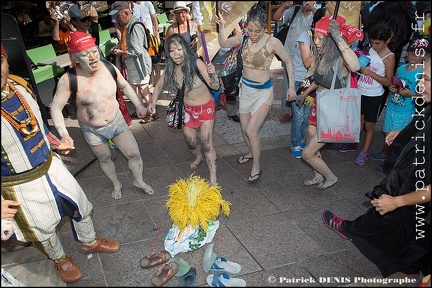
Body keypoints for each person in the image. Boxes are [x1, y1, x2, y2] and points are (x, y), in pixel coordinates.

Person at [1, 44, 120, 284]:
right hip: (20, 185)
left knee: (80, 204)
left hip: (51, 165)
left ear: (6, 61)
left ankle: (89, 242)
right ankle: (60, 259)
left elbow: (37, 125)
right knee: (43, 226)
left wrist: (55, 142)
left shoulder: (19, 85)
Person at [321, 52, 431, 282]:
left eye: (427, 79)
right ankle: (410, 264)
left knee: (403, 220)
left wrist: (398, 201)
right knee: (406, 226)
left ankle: (351, 229)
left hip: (419, 193)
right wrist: (401, 133)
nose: (421, 83)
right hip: (411, 179)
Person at [50, 31, 154, 199]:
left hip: (116, 122)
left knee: (134, 153)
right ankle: (116, 184)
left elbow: (125, 86)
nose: (93, 57)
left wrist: (139, 105)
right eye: (86, 54)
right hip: (92, 130)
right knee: (105, 158)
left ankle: (139, 180)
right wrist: (64, 134)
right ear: (75, 58)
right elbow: (55, 108)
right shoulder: (68, 79)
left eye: (94, 51)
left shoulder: (108, 67)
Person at [215, 4, 297, 184]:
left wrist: (291, 87)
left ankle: (256, 166)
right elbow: (224, 43)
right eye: (250, 29)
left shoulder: (272, 42)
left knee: (252, 131)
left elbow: (288, 61)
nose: (252, 34)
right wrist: (221, 26)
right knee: (244, 130)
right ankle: (251, 152)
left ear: (264, 28)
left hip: (263, 93)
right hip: (246, 90)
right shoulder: (244, 36)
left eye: (257, 31)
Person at [299, 15, 361, 190]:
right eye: (315, 37)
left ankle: (330, 177)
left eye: (320, 38)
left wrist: (338, 37)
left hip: (334, 110)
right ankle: (318, 175)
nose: (316, 42)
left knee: (307, 153)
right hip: (320, 105)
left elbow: (356, 66)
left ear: (330, 39)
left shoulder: (340, 58)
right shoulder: (322, 55)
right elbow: (319, 80)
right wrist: (304, 95)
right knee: (309, 138)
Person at [150, 34, 219, 185]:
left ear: (186, 49)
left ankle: (213, 177)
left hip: (205, 107)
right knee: (191, 142)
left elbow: (215, 86)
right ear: (168, 53)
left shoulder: (196, 63)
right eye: (172, 50)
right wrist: (152, 102)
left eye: (179, 49)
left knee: (207, 143)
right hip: (187, 110)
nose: (177, 53)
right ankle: (198, 156)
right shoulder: (170, 69)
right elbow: (159, 85)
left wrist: (213, 75)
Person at [370, 37, 430, 172]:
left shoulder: (423, 72)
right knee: (387, 132)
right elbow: (394, 83)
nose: (414, 55)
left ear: (425, 55)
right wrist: (392, 88)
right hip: (392, 106)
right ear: (407, 52)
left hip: (405, 111)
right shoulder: (401, 68)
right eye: (412, 51)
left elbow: (425, 97)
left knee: (398, 139)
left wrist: (411, 95)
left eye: (419, 52)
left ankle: (392, 162)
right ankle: (385, 153)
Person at [109, 1, 157, 124]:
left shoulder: (135, 26)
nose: (117, 19)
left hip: (139, 64)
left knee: (143, 89)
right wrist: (118, 46)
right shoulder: (127, 26)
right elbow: (126, 42)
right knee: (136, 88)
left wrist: (121, 52)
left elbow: (136, 50)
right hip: (133, 63)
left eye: (118, 16)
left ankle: (152, 112)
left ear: (125, 13)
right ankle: (142, 110)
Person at [354, 23, 395, 166]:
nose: (374, 45)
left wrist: (370, 73)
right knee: (358, 120)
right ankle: (352, 141)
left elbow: (387, 82)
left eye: (377, 43)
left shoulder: (389, 57)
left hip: (374, 94)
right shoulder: (370, 49)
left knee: (369, 125)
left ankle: (364, 151)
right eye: (372, 42)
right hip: (360, 90)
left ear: (387, 41)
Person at [289, 7, 325, 159]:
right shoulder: (306, 36)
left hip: (312, 83)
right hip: (299, 81)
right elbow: (306, 63)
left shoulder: (326, 39)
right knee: (298, 117)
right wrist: (320, 47)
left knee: (306, 116)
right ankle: (295, 143)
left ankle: (301, 139)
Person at [273, 1, 317, 123]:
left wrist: (312, 9)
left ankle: (303, 110)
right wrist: (284, 6)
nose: (305, 3)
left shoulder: (316, 13)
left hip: (306, 58)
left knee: (305, 83)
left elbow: (323, 21)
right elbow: (277, 18)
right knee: (288, 84)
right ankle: (289, 111)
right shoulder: (294, 11)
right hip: (289, 55)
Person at [137, 1, 161, 88]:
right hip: (141, 38)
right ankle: (152, 80)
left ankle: (158, 80)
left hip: (151, 37)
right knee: (148, 60)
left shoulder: (147, 3)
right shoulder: (132, 6)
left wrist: (157, 36)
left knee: (155, 60)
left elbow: (154, 19)